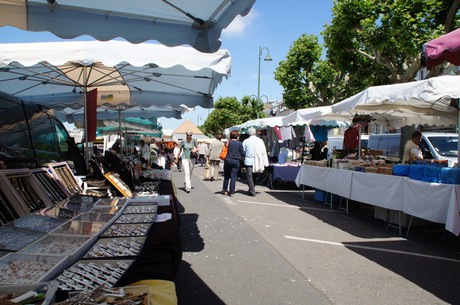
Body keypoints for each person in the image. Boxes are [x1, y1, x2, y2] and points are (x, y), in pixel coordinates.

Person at [242, 127, 269, 197]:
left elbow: (243, 151)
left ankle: (252, 190)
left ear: (249, 133)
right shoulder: (260, 140)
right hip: (257, 161)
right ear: (255, 133)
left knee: (249, 175)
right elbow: (263, 151)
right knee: (254, 175)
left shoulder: (245, 141)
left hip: (249, 160)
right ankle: (252, 189)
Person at [222, 130, 245, 197]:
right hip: (236, 161)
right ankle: (232, 192)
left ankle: (225, 190)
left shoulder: (228, 142)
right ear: (237, 136)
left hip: (228, 160)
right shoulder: (240, 143)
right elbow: (242, 153)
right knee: (233, 177)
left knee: (226, 176)